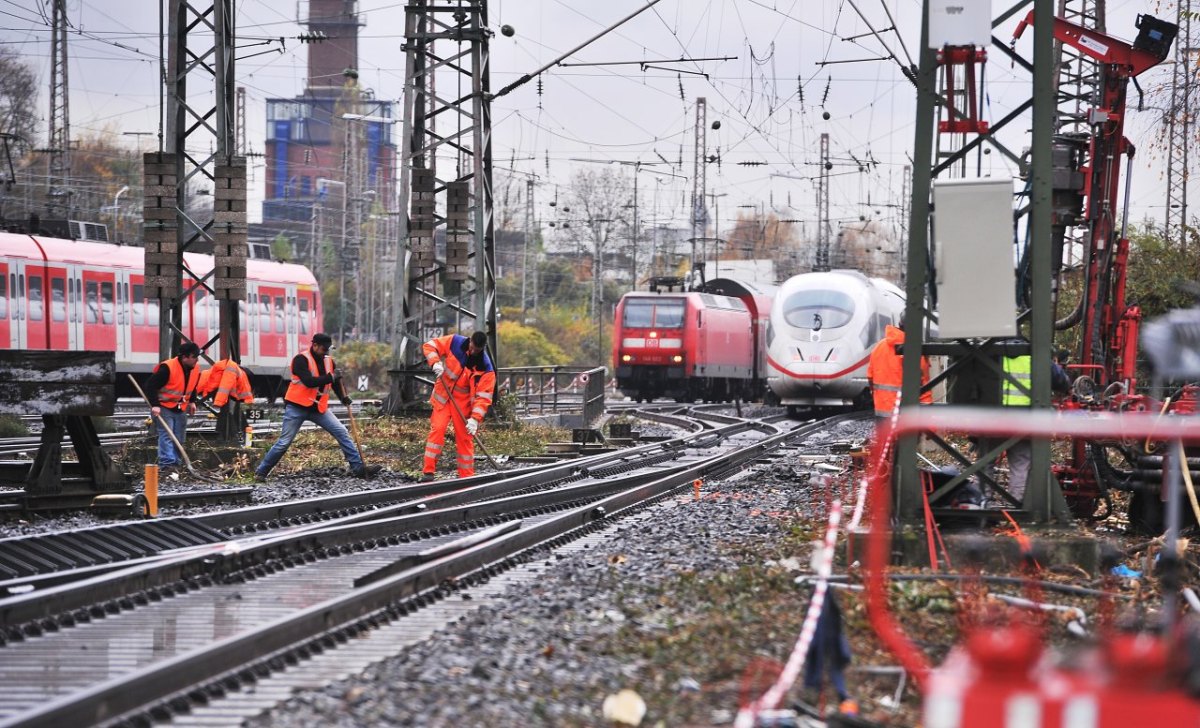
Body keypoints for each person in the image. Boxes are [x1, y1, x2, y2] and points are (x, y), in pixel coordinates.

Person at [253, 333, 381, 481]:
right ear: (314, 345)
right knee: (284, 442)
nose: (326, 352)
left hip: (318, 408)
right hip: (297, 407)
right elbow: (309, 381)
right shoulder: (300, 360)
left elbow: (334, 384)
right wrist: (331, 377)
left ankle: (359, 468)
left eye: (328, 349)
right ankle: (261, 472)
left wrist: (343, 397)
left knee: (341, 432)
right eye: (323, 349)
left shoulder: (329, 362)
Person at [421, 330, 496, 480]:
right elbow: (430, 345)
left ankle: (466, 477)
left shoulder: (486, 367)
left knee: (464, 439)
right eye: (472, 347)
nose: (473, 351)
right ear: (470, 341)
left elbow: (484, 397)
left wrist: (475, 419)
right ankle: (428, 472)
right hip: (444, 397)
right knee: (437, 430)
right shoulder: (455, 342)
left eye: (477, 350)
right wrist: (435, 362)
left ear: (483, 348)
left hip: (463, 406)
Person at [145, 341, 203, 470]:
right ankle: (167, 464)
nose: (197, 360)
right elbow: (150, 386)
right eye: (194, 357)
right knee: (167, 436)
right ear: (185, 357)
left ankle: (176, 463)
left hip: (180, 408)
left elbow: (192, 386)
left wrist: (192, 401)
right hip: (164, 406)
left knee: (179, 438)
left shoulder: (195, 368)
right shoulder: (167, 368)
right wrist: (155, 405)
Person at [865, 315, 932, 421]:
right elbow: (923, 388)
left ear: (899, 323)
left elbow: (870, 378)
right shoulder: (915, 351)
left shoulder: (879, 347)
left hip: (882, 415)